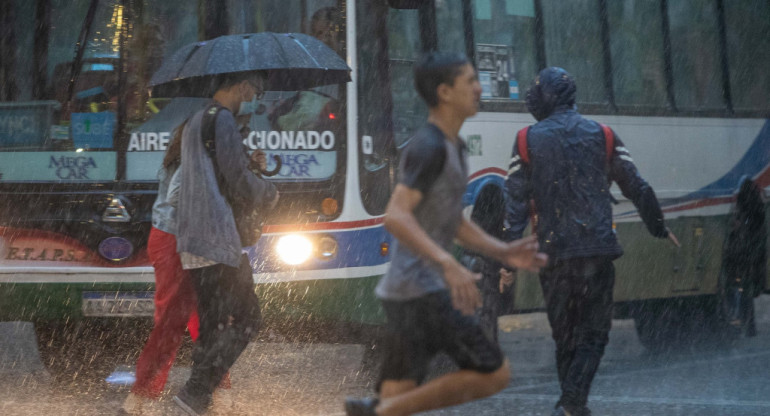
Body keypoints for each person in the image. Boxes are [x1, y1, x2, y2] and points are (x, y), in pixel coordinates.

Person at [344, 52, 548, 416]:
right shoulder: (430, 147)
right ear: (444, 92)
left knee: (397, 395)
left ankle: (378, 410)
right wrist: (445, 262)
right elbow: (396, 215)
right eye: (469, 80)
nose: (478, 87)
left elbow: (453, 222)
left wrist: (503, 251)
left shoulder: (454, 145)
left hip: (406, 292)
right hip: (423, 290)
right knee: (493, 372)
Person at [502, 67, 680, 416]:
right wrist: (658, 226)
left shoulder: (526, 140)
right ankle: (572, 405)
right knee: (594, 336)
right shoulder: (604, 135)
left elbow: (515, 206)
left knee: (564, 337)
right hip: (597, 252)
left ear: (545, 99)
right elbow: (637, 186)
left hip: (552, 254)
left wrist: (507, 263)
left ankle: (571, 405)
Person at [173, 71, 278, 415]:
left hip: (193, 238)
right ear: (242, 84)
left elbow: (217, 173)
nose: (255, 94)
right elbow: (236, 182)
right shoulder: (224, 121)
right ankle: (196, 391)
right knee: (248, 318)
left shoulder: (196, 120)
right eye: (255, 87)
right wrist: (269, 192)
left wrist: (249, 165)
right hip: (216, 237)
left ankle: (195, 398)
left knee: (213, 324)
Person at [119, 124, 234, 415]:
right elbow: (178, 196)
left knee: (204, 316)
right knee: (175, 319)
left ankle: (213, 387)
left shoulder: (188, 155)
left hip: (180, 238)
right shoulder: (195, 158)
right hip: (177, 240)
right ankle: (141, 395)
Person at [721, 176, 766, 337]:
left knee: (737, 290)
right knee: (745, 291)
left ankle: (741, 325)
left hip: (742, 254)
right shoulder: (757, 209)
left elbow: (740, 231)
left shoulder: (745, 210)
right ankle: (749, 327)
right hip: (749, 255)